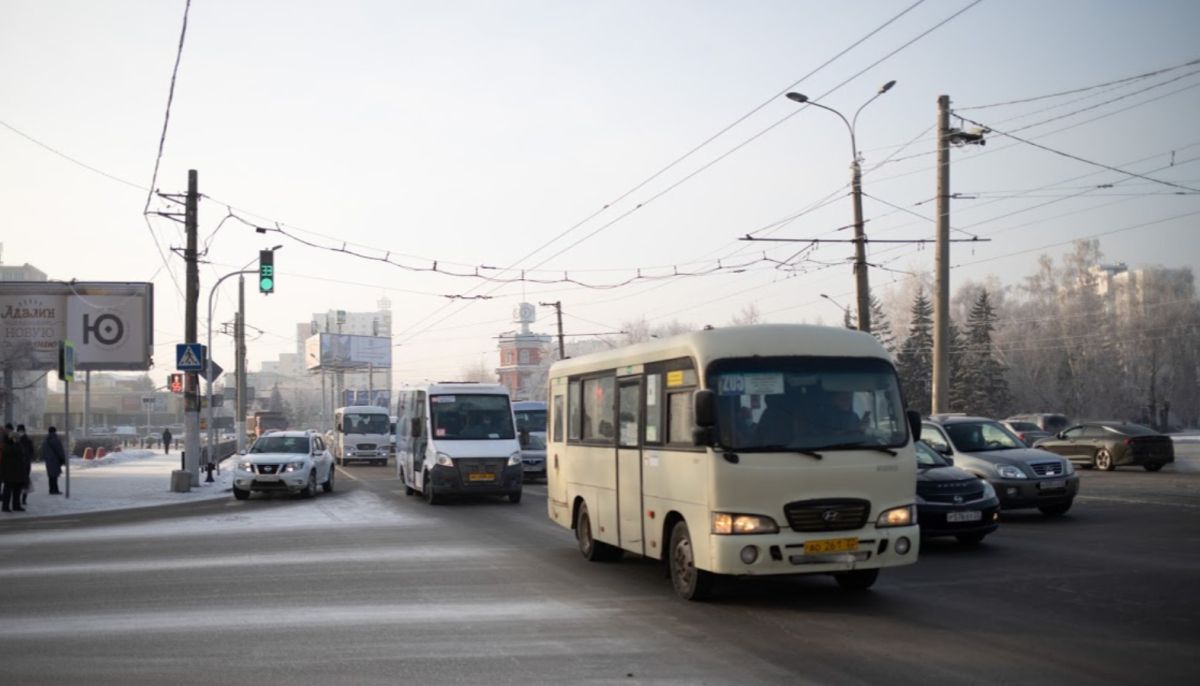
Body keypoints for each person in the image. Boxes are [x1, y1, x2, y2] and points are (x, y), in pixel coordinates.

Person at [1, 424, 24, 512]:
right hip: (9, 472)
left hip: (17, 472)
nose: (17, 440)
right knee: (8, 490)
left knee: (17, 490)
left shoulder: (17, 445)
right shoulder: (8, 446)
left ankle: (16, 505)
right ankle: (5, 506)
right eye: (16, 438)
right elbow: (10, 453)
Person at [41, 426, 67, 495]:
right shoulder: (55, 439)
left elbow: (43, 451)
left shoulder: (46, 440)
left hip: (48, 460)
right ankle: (55, 490)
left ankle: (51, 489)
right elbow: (59, 450)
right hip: (55, 460)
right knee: (54, 476)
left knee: (50, 476)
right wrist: (63, 459)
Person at [16, 424, 34, 507]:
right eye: (19, 431)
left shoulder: (26, 440)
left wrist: (27, 458)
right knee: (20, 482)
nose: (20, 432)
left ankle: (23, 499)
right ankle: (20, 499)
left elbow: (31, 452)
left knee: (24, 482)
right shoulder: (16, 439)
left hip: (25, 464)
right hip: (20, 464)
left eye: (21, 430)